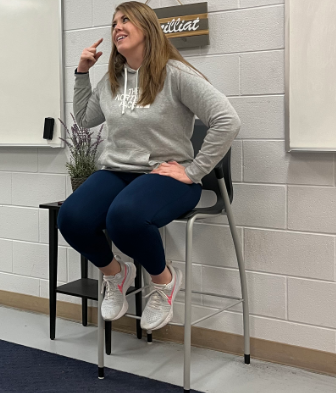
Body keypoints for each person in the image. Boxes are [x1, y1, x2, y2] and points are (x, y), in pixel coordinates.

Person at [57, 1, 241, 331]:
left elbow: (227, 120)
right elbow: (85, 120)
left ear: (147, 28)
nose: (117, 27)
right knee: (71, 218)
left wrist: (193, 171)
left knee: (124, 218)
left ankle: (164, 281)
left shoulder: (176, 74)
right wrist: (82, 72)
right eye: (114, 22)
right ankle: (115, 274)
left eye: (126, 19)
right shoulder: (113, 79)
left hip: (167, 175)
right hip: (117, 170)